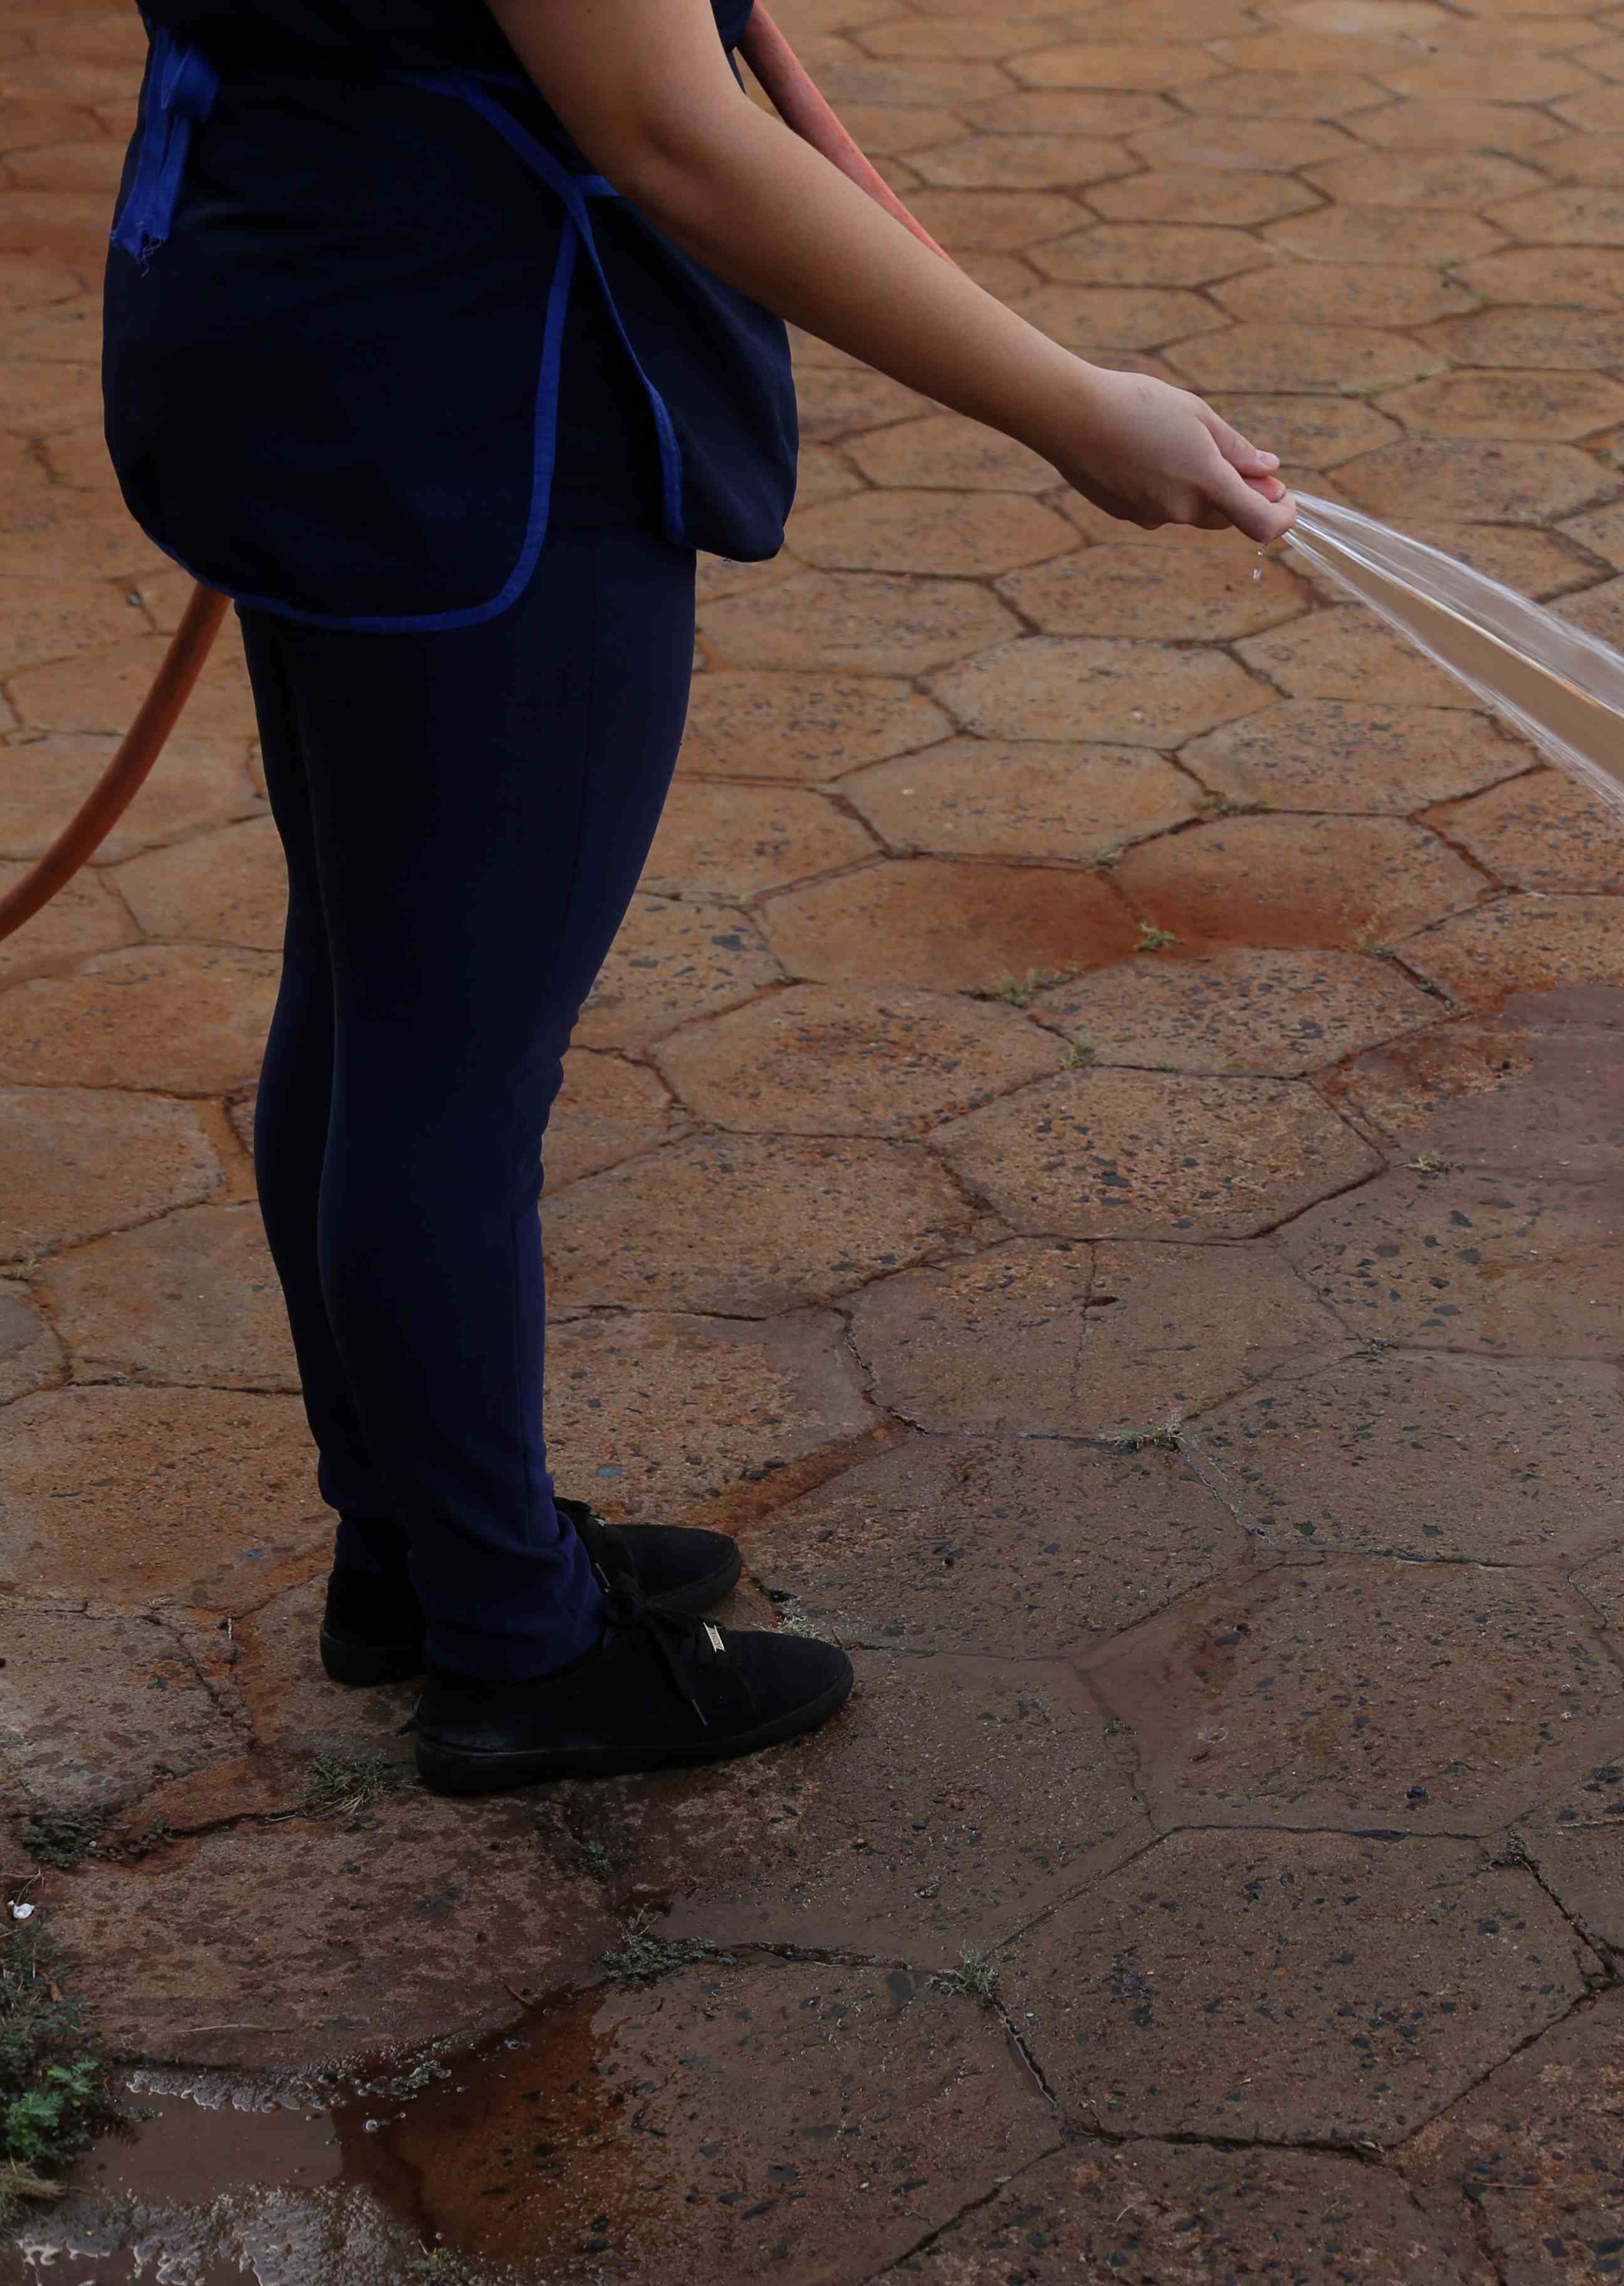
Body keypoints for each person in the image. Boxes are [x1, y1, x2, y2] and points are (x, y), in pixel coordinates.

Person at [102, 0, 1295, 1794]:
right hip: (469, 398)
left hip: (290, 308)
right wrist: (1073, 409)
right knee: (446, 1062)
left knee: (368, 992)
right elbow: (674, 134)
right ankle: (518, 1648)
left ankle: (424, 1546)